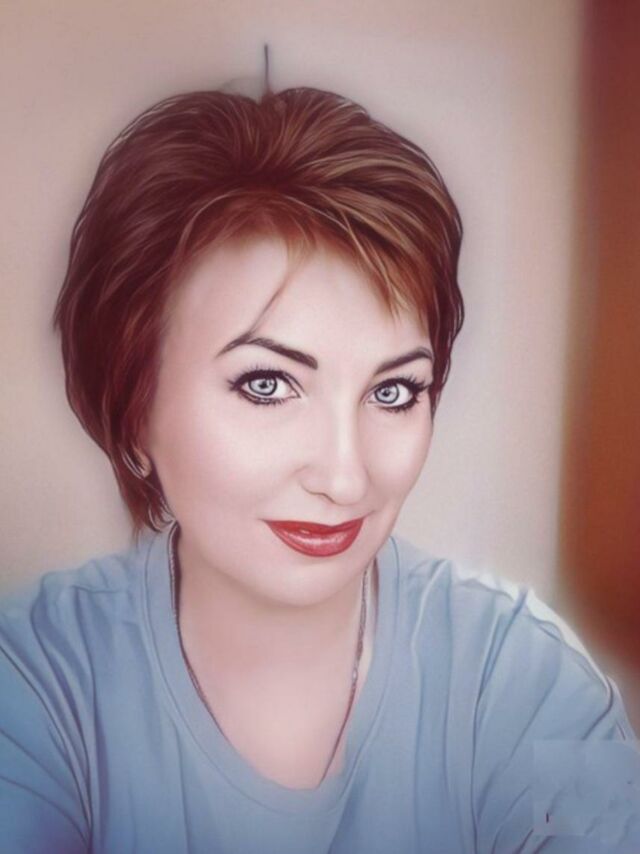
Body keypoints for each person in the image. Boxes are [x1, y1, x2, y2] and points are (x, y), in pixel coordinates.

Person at [0, 85, 638, 854]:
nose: (345, 477)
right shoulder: (32, 681)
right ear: (133, 413)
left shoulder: (525, 677)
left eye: (393, 391)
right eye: (267, 385)